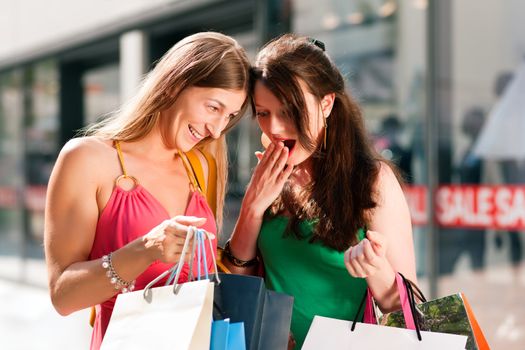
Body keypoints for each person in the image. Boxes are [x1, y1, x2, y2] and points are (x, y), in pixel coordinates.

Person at [43, 32, 251, 350]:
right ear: (173, 84)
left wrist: (255, 207)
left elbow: (206, 274)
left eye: (229, 116)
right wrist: (146, 249)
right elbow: (63, 296)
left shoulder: (201, 165)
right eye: (213, 107)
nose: (217, 128)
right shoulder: (88, 158)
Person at [223, 34, 417, 349]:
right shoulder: (269, 176)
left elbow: (406, 308)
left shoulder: (371, 180)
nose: (273, 128)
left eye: (288, 111)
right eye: (263, 113)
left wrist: (377, 270)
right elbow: (238, 288)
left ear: (326, 104)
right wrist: (252, 209)